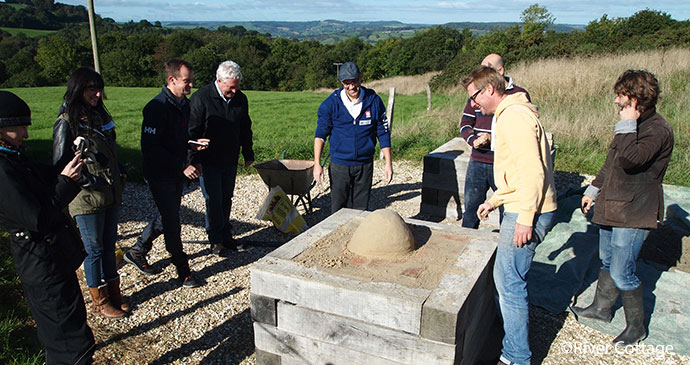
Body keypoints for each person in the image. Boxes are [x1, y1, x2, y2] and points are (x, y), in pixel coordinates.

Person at [463, 65, 557, 365]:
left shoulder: (514, 117)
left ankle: (516, 356)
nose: (473, 104)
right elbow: (516, 171)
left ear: (489, 89)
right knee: (507, 279)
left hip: (526, 210)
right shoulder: (509, 114)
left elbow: (533, 170)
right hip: (517, 204)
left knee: (510, 283)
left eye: (475, 96)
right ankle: (510, 341)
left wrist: (526, 218)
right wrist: (495, 200)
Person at [573, 70, 673, 346]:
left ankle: (636, 328)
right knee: (606, 261)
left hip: (634, 211)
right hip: (612, 205)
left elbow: (631, 159)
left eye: (621, 97)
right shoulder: (630, 126)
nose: (616, 102)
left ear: (637, 99)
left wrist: (628, 123)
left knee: (622, 271)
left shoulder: (657, 130)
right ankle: (601, 309)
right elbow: (613, 160)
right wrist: (593, 190)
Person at [0, 91, 95, 364]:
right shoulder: (2, 171)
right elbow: (38, 218)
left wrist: (70, 161)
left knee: (73, 334)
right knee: (69, 346)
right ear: (2, 129)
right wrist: (66, 183)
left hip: (52, 262)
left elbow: (46, 175)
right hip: (41, 266)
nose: (27, 135)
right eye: (21, 128)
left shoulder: (13, 159)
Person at [124, 59, 208, 287]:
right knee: (172, 221)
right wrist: (182, 165)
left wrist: (194, 152)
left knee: (168, 212)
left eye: (192, 80)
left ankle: (138, 249)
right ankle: (183, 269)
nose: (191, 85)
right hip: (159, 173)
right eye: (186, 81)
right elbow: (151, 147)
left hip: (176, 172)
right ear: (172, 80)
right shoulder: (156, 108)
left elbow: (180, 140)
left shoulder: (185, 105)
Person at [53, 67, 129, 318]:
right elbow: (60, 163)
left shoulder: (98, 116)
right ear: (78, 90)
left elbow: (109, 152)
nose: (97, 94)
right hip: (86, 198)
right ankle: (100, 300)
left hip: (110, 193)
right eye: (91, 89)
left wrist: (121, 170)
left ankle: (115, 292)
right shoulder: (66, 122)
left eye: (99, 89)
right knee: (94, 249)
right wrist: (88, 181)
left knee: (108, 246)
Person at [187, 60, 254, 256]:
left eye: (237, 87)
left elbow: (245, 128)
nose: (234, 91)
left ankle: (226, 235)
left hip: (230, 158)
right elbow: (192, 130)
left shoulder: (240, 99)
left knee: (226, 198)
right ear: (219, 80)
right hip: (208, 159)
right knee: (213, 199)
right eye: (230, 88)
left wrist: (248, 153)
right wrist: (193, 159)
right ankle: (215, 239)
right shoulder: (202, 98)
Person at [460, 53, 530, 229]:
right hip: (478, 160)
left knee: (506, 209)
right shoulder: (477, 94)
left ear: (500, 70)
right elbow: (465, 123)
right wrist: (473, 140)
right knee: (471, 209)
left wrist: (494, 139)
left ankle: (502, 245)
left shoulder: (518, 95)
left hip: (504, 162)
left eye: (487, 67)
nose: (482, 71)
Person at [313, 61, 393, 214]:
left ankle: (357, 236)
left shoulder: (374, 101)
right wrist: (317, 164)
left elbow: (383, 133)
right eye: (346, 83)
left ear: (361, 78)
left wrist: (388, 163)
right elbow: (320, 135)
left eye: (354, 81)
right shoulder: (331, 104)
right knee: (338, 209)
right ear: (341, 83)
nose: (351, 87)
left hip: (364, 164)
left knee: (360, 209)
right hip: (340, 165)